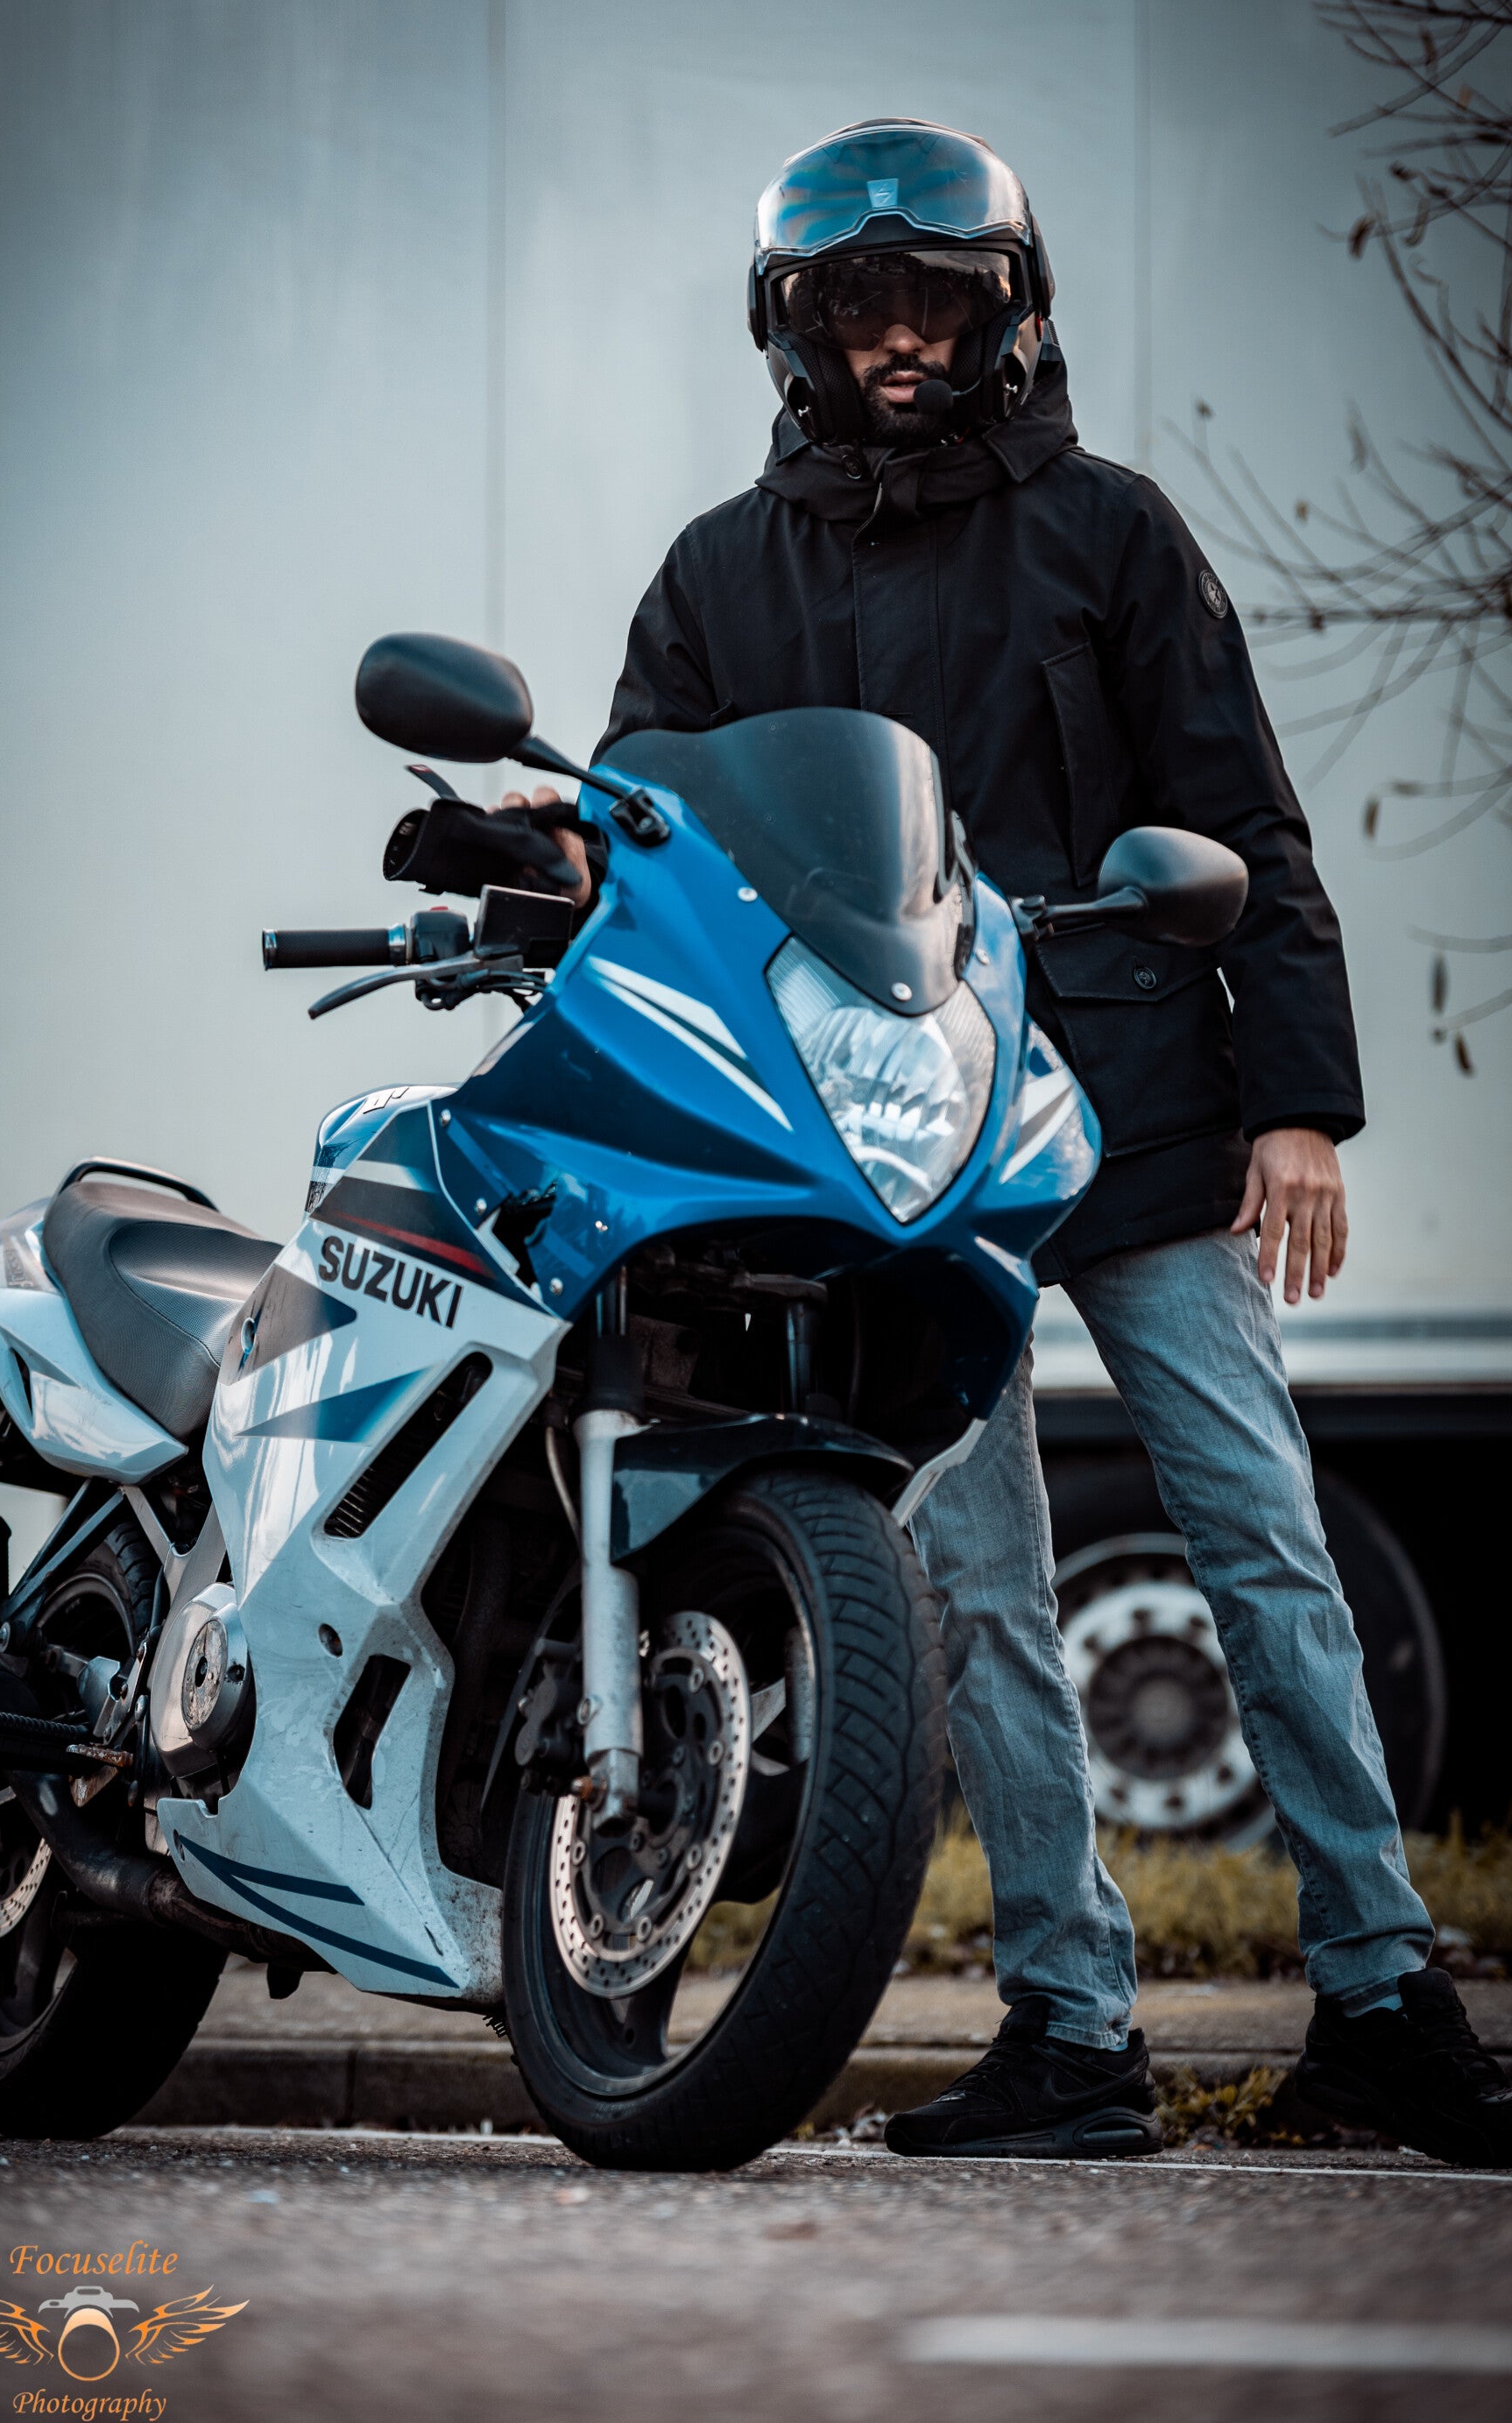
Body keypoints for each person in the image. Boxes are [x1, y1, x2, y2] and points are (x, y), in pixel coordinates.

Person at [501, 119, 1511, 2168]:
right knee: (973, 1589)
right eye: (860, 308)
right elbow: (643, 832)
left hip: (1132, 1115)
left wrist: (1298, 1103)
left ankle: (1387, 1999)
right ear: (798, 330)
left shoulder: (1112, 534)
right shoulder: (718, 575)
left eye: (938, 307)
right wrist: (559, 840)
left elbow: (1247, 818)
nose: (901, 341)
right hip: (879, 1149)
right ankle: (1070, 2030)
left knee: (1261, 1536)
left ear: (1009, 318)